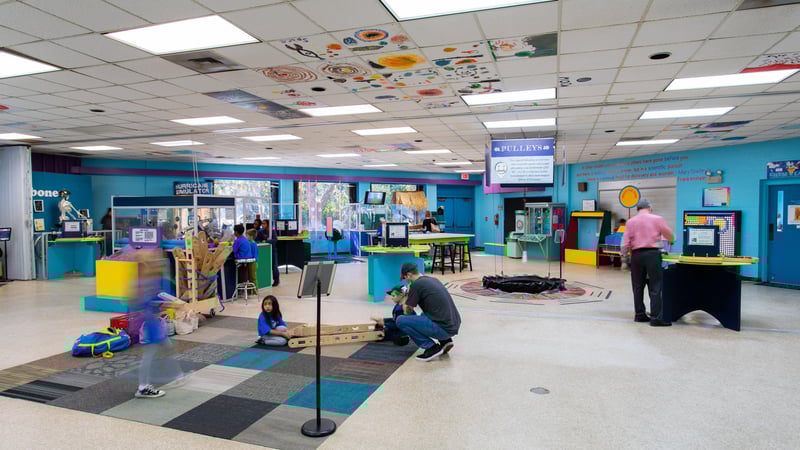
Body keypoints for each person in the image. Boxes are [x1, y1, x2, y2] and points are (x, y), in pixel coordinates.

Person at [622, 199, 675, 327]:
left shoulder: (630, 221)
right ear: (650, 208)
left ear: (637, 209)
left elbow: (625, 243)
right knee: (655, 286)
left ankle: (639, 315)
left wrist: (624, 257)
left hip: (636, 255)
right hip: (652, 255)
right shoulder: (657, 219)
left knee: (638, 286)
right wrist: (671, 240)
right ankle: (656, 318)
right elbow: (670, 235)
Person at [396, 263, 461, 362]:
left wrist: (406, 296)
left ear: (409, 275)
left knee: (400, 320)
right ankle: (445, 341)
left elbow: (407, 311)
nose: (406, 281)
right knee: (423, 314)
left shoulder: (416, 285)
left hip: (444, 329)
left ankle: (431, 347)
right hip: (453, 324)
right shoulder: (433, 280)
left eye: (405, 278)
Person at [246, 228, 259, 295]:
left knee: (253, 277)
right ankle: (250, 290)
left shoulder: (253, 244)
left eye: (247, 236)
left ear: (251, 236)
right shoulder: (250, 243)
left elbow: (254, 254)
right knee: (250, 277)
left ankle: (255, 290)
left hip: (253, 262)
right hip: (251, 261)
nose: (246, 237)